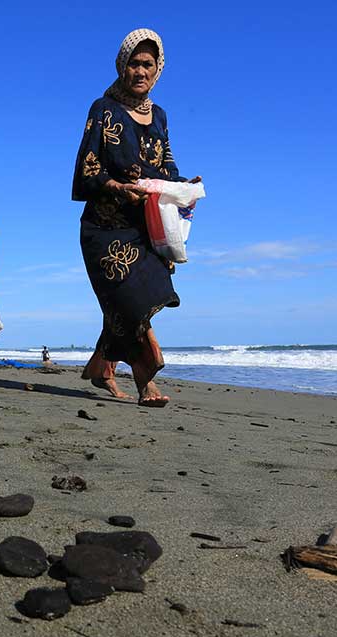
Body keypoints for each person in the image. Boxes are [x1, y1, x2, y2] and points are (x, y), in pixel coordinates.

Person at [72, 29, 202, 407]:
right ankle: (147, 378)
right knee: (132, 300)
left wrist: (183, 184)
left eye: (148, 64)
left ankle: (101, 366)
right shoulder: (103, 109)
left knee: (133, 299)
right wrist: (116, 187)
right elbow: (87, 168)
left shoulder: (159, 115)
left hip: (145, 225)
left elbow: (166, 163)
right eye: (134, 63)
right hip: (104, 226)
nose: (140, 71)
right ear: (121, 66)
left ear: (158, 69)